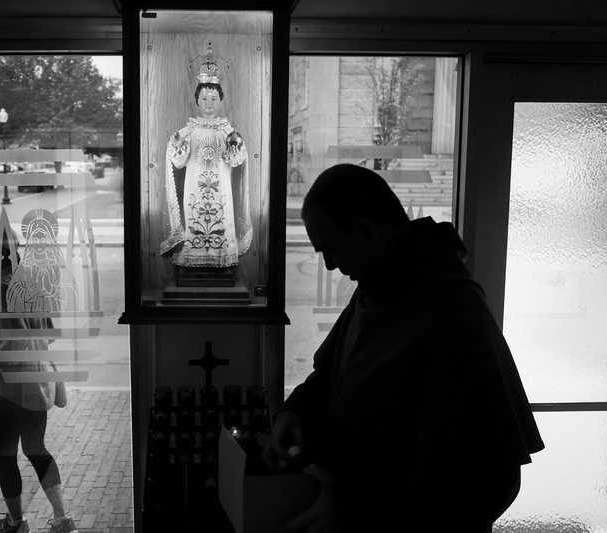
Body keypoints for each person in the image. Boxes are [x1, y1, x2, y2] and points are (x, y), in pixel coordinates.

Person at [262, 164, 544, 532]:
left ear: (366, 232)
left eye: (330, 249)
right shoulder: (377, 285)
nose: (330, 265)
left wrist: (356, 512)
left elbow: (492, 482)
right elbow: (333, 375)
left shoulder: (453, 313)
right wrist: (293, 413)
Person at [0, 225, 77, 533]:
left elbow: (14, 344)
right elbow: (46, 335)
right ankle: (62, 519)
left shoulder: (0, 287)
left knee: (5, 455)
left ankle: (16, 523)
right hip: (38, 384)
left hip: (10, 389)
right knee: (36, 448)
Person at [160, 43, 253, 269]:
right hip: (195, 189)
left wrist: (235, 152)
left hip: (221, 190)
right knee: (195, 218)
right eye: (204, 99)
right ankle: (194, 258)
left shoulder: (226, 131)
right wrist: (176, 145)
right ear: (197, 101)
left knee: (221, 218)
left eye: (213, 99)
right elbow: (178, 162)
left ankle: (222, 258)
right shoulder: (189, 131)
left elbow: (236, 160)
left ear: (220, 100)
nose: (209, 104)